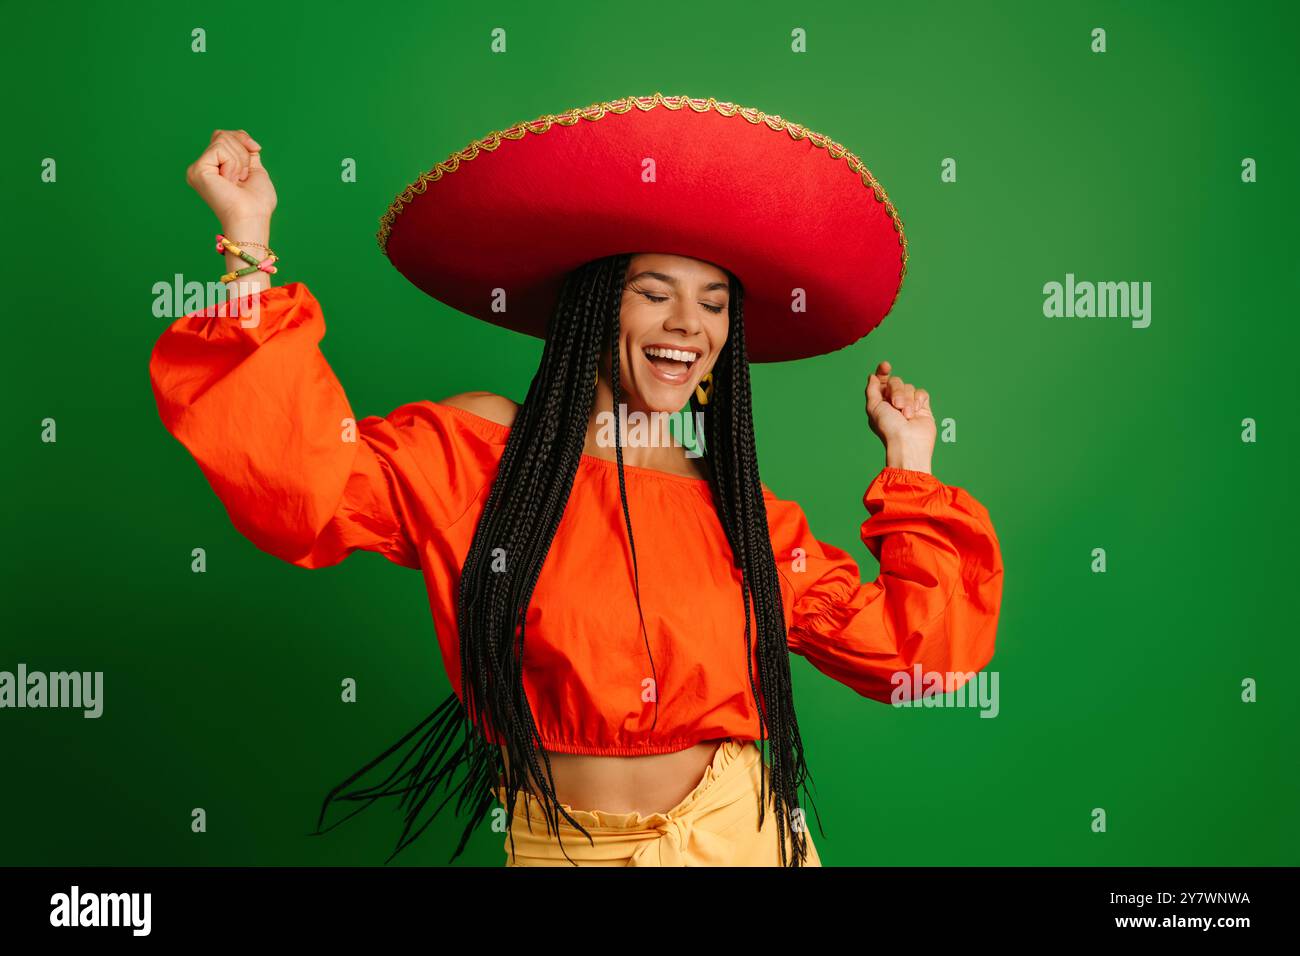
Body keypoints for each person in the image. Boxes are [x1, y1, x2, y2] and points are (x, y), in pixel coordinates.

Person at [150, 93, 1005, 867]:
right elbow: (296, 482)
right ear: (594, 306)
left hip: (741, 841)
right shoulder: (482, 453)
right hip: (562, 850)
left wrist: (910, 463)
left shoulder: (740, 514)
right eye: (654, 293)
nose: (688, 325)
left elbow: (915, 657)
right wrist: (248, 243)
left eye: (713, 303)